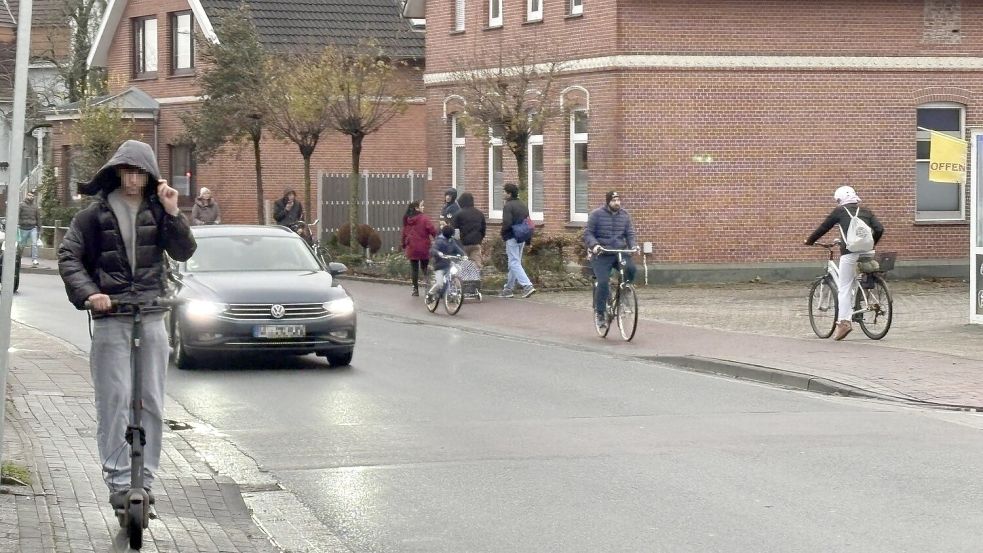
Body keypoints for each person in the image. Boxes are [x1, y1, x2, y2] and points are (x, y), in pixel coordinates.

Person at [57, 140, 197, 513]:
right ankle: (120, 483)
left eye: (141, 173)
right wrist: (90, 294)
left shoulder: (157, 209)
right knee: (114, 400)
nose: (134, 180)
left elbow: (184, 251)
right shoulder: (93, 215)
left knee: (150, 399)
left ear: (150, 176)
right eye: (128, 172)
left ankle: (145, 482)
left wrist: (173, 212)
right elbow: (69, 256)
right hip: (111, 317)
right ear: (117, 172)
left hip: (151, 314)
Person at [804, 185, 884, 341]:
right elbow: (879, 228)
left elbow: (823, 227)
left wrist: (810, 240)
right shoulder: (866, 211)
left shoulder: (839, 212)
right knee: (856, 279)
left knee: (844, 287)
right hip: (868, 252)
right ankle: (862, 299)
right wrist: (871, 243)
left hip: (850, 253)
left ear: (840, 200)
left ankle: (844, 323)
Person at [584, 191, 638, 330]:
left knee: (631, 269)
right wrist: (595, 245)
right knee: (602, 282)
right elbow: (588, 233)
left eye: (619, 200)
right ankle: (600, 313)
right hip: (602, 253)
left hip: (619, 251)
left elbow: (629, 234)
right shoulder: (596, 215)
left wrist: (633, 246)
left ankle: (625, 291)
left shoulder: (625, 216)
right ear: (608, 201)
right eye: (614, 200)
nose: (617, 203)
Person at [499, 183, 536, 298]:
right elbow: (528, 222)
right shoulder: (523, 205)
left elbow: (507, 223)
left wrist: (503, 234)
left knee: (514, 262)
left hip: (512, 236)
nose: (502, 193)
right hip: (522, 237)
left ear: (509, 194)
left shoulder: (508, 206)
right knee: (514, 262)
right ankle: (508, 289)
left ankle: (527, 286)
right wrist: (528, 240)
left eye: (504, 191)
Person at [401, 200, 437, 296]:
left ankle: (415, 290)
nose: (423, 207)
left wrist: (403, 244)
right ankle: (428, 287)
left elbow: (404, 233)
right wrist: (438, 239)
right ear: (417, 208)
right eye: (422, 206)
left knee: (414, 269)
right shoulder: (424, 218)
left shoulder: (407, 219)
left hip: (412, 247)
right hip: (423, 247)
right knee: (425, 268)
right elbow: (432, 230)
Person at [428, 224, 466, 298]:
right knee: (439, 284)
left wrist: (463, 255)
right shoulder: (439, 241)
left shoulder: (451, 241)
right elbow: (432, 250)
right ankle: (430, 294)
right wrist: (438, 253)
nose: (451, 237)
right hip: (439, 266)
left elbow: (458, 249)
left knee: (455, 273)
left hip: (448, 265)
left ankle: (454, 291)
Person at [451, 192, 486, 267]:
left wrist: (457, 242)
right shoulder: (479, 213)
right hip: (476, 243)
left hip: (463, 245)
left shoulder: (458, 214)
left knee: (463, 266)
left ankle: (465, 278)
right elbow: (483, 229)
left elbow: (455, 230)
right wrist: (480, 239)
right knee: (476, 265)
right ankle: (475, 278)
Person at [17, 190, 41, 266]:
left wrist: (40, 229)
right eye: (29, 195)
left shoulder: (35, 206)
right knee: (22, 244)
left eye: (32, 196)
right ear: (26, 196)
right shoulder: (21, 205)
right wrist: (18, 224)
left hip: (33, 227)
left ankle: (34, 259)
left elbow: (38, 218)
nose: (31, 197)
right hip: (23, 228)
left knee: (34, 243)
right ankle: (18, 257)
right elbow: (17, 215)